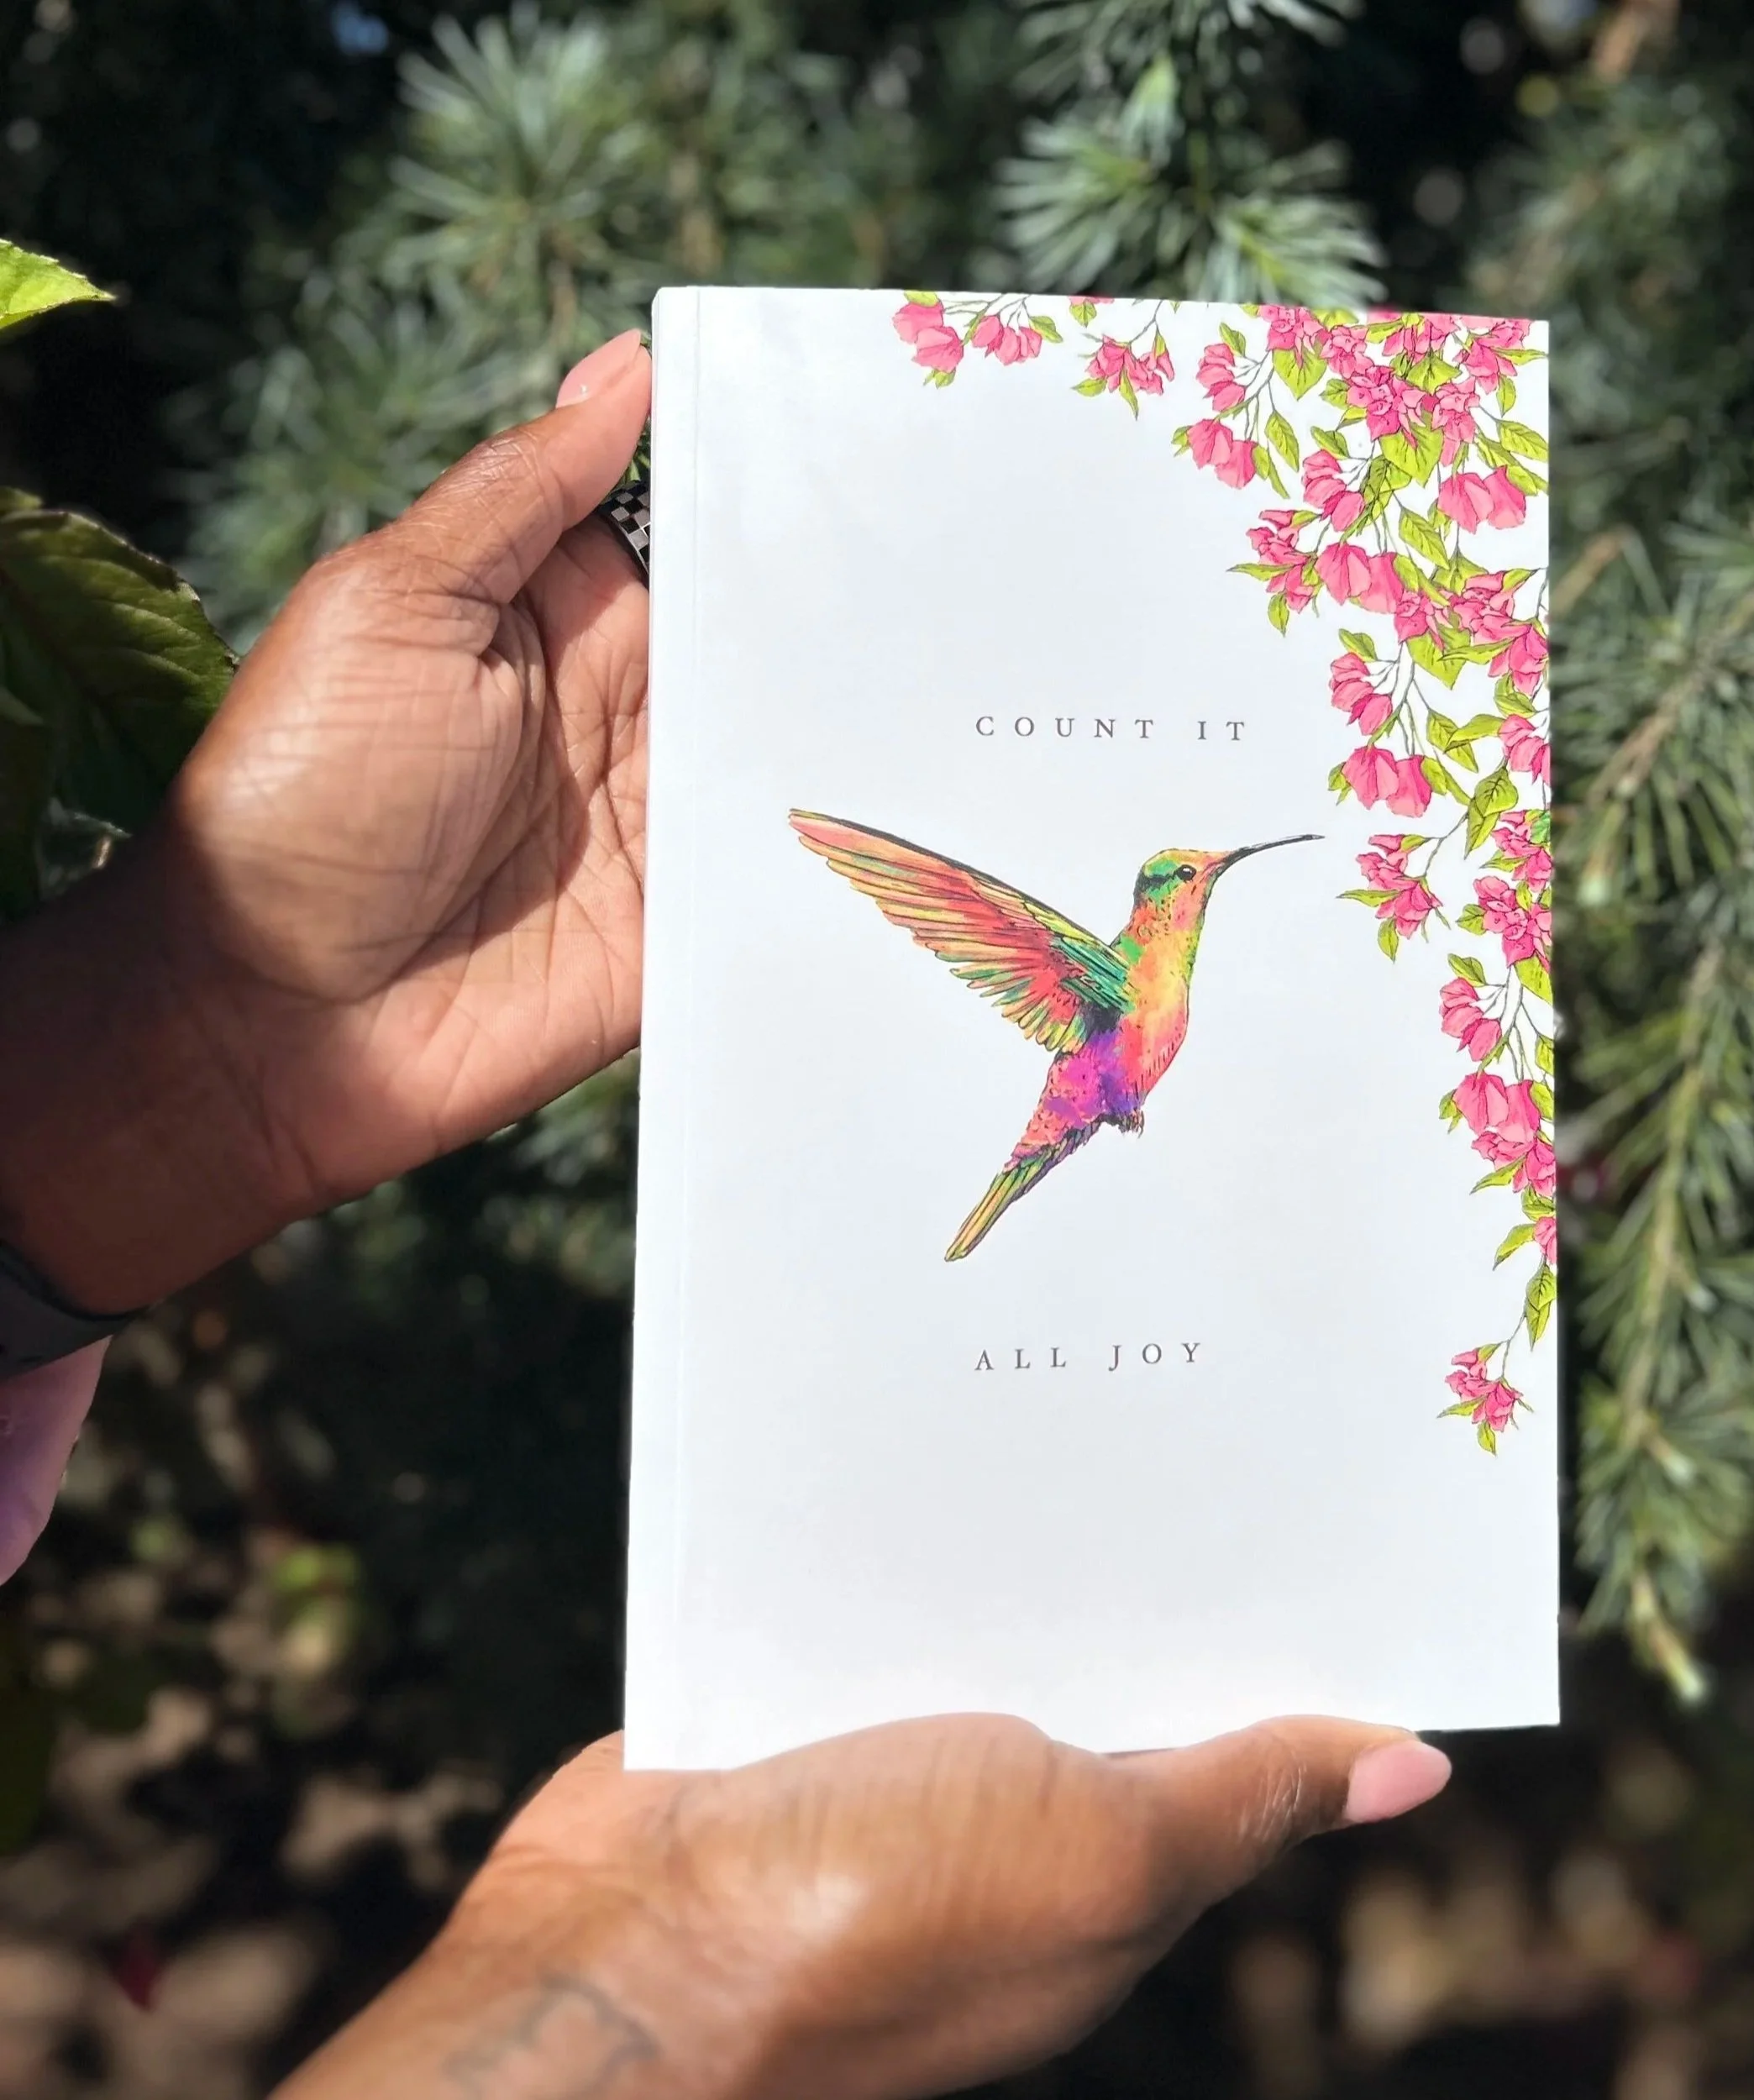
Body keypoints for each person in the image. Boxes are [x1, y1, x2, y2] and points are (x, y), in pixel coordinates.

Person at [0, 330, 1452, 2098]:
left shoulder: (1154, 961)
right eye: (1192, 869)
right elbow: (961, 907)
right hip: (1087, 1080)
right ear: (1160, 897)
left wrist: (222, 1016)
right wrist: (687, 1965)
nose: (1210, 877)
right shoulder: (1108, 956)